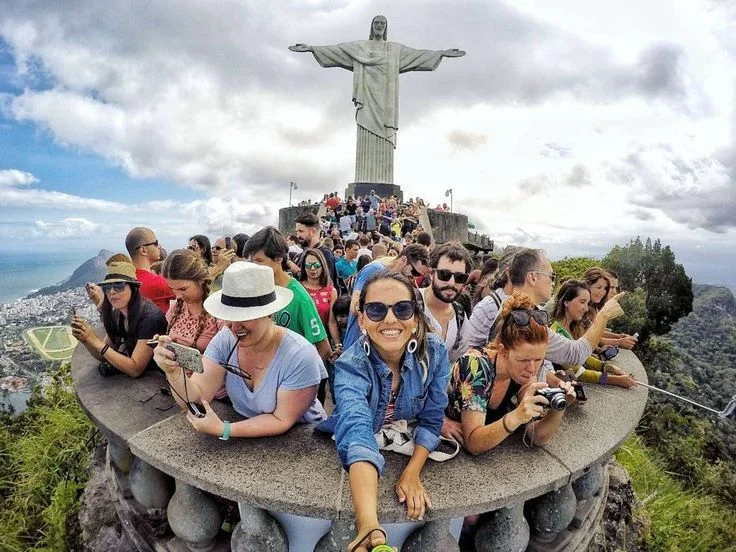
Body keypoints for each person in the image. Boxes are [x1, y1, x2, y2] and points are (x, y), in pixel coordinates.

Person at [317, 271, 450, 552]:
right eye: (376, 310)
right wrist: (368, 524)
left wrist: (412, 472)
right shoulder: (350, 365)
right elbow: (357, 432)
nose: (390, 319)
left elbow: (433, 417)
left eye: (402, 309)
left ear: (415, 317)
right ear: (362, 320)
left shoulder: (435, 352)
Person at [153, 262, 326, 438]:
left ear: (269, 313)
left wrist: (225, 429)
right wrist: (173, 373)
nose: (234, 327)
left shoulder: (300, 355)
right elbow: (197, 397)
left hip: (303, 437)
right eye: (229, 317)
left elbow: (282, 419)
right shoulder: (225, 339)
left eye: (244, 317)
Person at [289, 15, 464, 186]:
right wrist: (311, 48)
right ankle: (365, 178)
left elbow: (417, 55)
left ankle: (383, 181)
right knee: (365, 129)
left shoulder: (395, 50)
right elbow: (337, 50)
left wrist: (441, 54)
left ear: (386, 28)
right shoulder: (360, 47)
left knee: (384, 133)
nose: (379, 26)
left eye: (382, 23)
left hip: (386, 102)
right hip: (366, 99)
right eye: (376, 23)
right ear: (371, 26)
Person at [243, 227, 332, 383]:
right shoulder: (257, 290)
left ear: (278, 258)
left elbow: (323, 348)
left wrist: (298, 382)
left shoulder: (299, 298)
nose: (254, 267)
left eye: (259, 261)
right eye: (252, 261)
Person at [72, 254, 167, 377]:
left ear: (133, 288)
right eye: (107, 287)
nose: (112, 292)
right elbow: (104, 355)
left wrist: (94, 339)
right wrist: (86, 339)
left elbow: (135, 369)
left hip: (158, 379)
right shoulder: (119, 314)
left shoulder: (150, 319)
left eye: (118, 286)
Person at [549, 280, 637, 388]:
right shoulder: (555, 332)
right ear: (566, 302)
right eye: (582, 302)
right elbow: (578, 372)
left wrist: (609, 367)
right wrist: (615, 380)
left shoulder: (574, 327)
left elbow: (584, 356)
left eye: (587, 303)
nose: (586, 309)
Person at [343, 243, 430, 350]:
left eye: (419, 276)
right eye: (414, 272)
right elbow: (354, 306)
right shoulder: (374, 270)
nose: (414, 277)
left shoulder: (397, 279)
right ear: (403, 260)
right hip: (357, 345)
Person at [419, 242, 472, 363]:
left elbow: (455, 362)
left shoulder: (460, 316)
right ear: (431, 274)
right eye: (444, 274)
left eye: (460, 278)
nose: (451, 283)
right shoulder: (409, 303)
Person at [160, 249, 219, 353]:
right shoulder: (176, 307)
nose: (178, 296)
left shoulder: (218, 311)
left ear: (201, 280)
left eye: (183, 289)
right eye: (172, 289)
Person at [299, 248, 342, 351]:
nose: (312, 269)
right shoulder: (298, 288)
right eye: (308, 265)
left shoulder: (331, 291)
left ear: (323, 266)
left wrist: (338, 346)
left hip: (323, 344)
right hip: (301, 343)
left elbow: (332, 322)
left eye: (316, 265)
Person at [125, 227, 175, 312]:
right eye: (156, 243)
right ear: (143, 250)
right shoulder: (158, 283)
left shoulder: (125, 280)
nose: (159, 246)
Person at [293, 213, 339, 285]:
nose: (298, 235)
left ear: (313, 232)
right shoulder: (303, 253)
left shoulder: (325, 254)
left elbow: (326, 284)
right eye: (297, 232)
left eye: (301, 231)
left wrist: (296, 270)